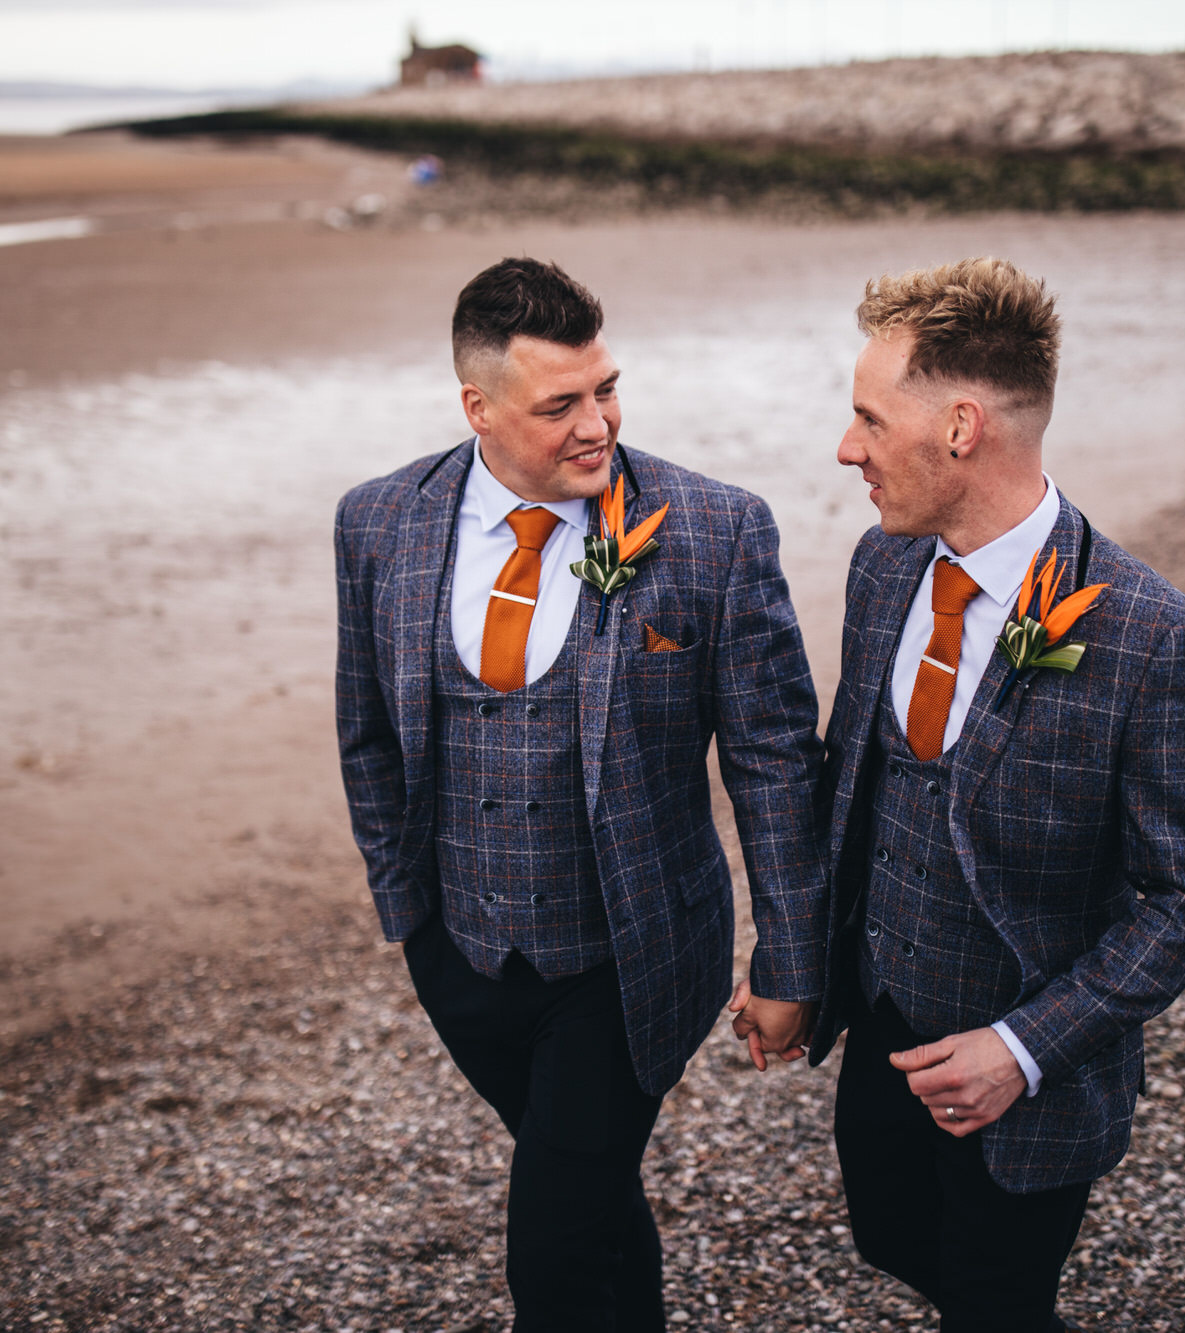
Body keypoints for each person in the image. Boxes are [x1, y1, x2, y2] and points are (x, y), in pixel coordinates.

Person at [333, 257, 825, 1330]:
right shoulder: (377, 524)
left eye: (605, 389)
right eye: (558, 404)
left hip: (632, 956)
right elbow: (365, 728)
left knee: (549, 1245)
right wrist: (405, 909)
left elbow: (774, 760)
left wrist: (792, 956)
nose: (595, 424)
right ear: (477, 406)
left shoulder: (710, 530)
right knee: (588, 1192)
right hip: (460, 955)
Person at [802, 258, 1185, 1329]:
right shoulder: (880, 568)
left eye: (867, 418)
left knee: (996, 1300)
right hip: (883, 1024)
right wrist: (793, 962)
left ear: (960, 426)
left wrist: (1023, 1048)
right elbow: (848, 791)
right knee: (892, 1239)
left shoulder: (1153, 638)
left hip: (1029, 1085)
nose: (845, 447)